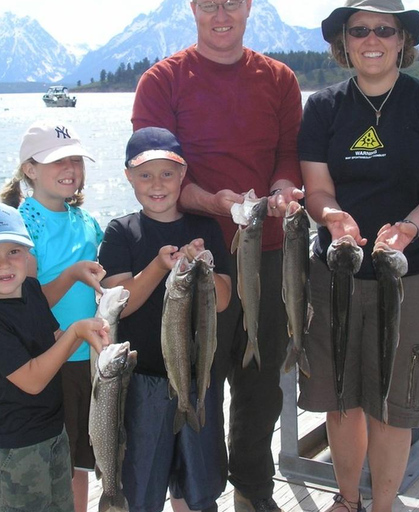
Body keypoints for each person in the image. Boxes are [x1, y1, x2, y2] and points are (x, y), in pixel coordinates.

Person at [296, 0, 419, 511]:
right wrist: (332, 219)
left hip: (411, 274)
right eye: (360, 30)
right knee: (342, 399)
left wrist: (410, 230)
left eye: (384, 30)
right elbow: (316, 189)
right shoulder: (323, 108)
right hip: (336, 274)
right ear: (343, 42)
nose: (372, 39)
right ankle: (348, 501)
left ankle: (383, 505)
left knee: (395, 405)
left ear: (402, 41)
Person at [131, 2, 303, 510]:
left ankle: (253, 491)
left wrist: (282, 189)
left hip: (269, 256)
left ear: (248, 6)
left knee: (261, 386)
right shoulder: (161, 81)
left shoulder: (281, 80)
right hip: (194, 260)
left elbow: (289, 156)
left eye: (232, 0)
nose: (221, 12)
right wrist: (218, 204)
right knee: (193, 378)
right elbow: (158, 179)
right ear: (192, 8)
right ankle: (194, 493)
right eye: (209, 1)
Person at [98, 127, 233, 512]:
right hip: (142, 384)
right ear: (128, 176)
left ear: (183, 173)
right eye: (145, 175)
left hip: (197, 380)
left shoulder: (205, 227)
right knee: (141, 489)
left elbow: (222, 301)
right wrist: (160, 266)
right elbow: (120, 302)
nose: (157, 184)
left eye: (168, 174)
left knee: (198, 489)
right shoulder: (121, 232)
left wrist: (203, 268)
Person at [0, 202, 109, 512]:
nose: (4, 264)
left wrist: (97, 341)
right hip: (15, 448)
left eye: (13, 251)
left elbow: (54, 338)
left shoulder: (30, 289)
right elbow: (32, 380)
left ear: (28, 254)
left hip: (54, 431)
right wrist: (77, 332)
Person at [0, 121, 106, 512]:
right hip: (53, 359)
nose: (71, 169)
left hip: (90, 359)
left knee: (79, 456)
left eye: (76, 159)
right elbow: (26, 301)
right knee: (55, 457)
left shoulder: (87, 221)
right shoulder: (21, 226)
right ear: (29, 169)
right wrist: (73, 273)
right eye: (58, 160)